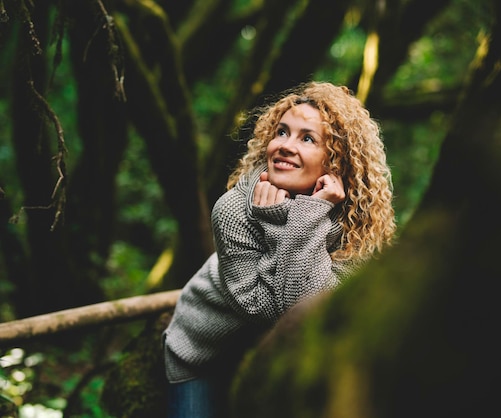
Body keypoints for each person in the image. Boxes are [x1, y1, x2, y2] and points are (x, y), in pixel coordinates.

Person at [163, 81, 396, 417]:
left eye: (307, 138)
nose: (286, 146)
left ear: (337, 161)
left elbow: (316, 313)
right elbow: (269, 311)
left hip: (279, 360)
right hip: (206, 353)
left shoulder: (359, 224)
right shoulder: (232, 210)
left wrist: (305, 217)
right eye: (282, 132)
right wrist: (281, 223)